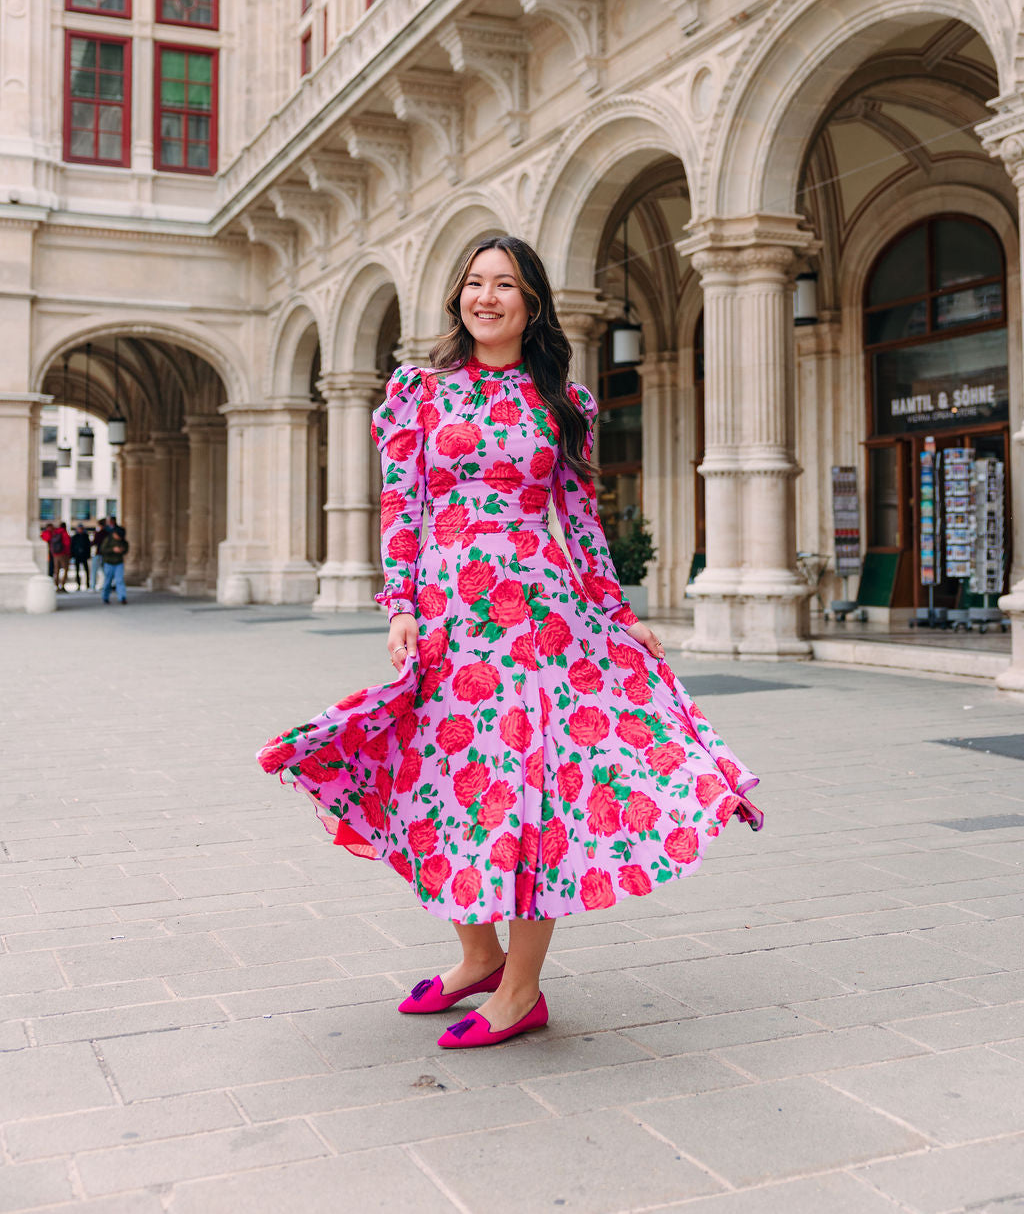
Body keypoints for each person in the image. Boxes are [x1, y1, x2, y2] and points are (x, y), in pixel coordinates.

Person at [260, 236, 762, 1050]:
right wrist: (400, 606)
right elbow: (402, 504)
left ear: (531, 304)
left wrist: (616, 610)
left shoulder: (563, 400)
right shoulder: (421, 391)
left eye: (504, 284)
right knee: (447, 783)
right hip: (451, 618)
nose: (485, 297)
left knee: (533, 792)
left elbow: (581, 518)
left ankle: (521, 989)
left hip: (542, 621)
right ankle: (480, 956)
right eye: (474, 282)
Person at [100, 525, 129, 604]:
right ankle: (105, 597)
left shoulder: (123, 541)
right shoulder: (108, 539)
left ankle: (122, 597)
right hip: (108, 563)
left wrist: (122, 550)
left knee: (120, 580)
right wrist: (113, 550)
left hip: (119, 563)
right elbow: (102, 549)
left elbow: (126, 549)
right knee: (107, 581)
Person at [50, 522, 71, 591]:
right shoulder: (64, 533)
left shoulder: (55, 532)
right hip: (63, 554)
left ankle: (56, 585)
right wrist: (68, 554)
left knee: (56, 570)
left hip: (55, 554)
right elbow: (67, 544)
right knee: (65, 569)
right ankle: (62, 585)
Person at [69, 524, 91, 590]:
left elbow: (88, 546)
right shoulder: (75, 537)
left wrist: (88, 555)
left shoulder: (85, 536)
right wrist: (73, 555)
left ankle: (87, 584)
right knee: (77, 571)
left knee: (86, 570)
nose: (80, 530)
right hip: (77, 556)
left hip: (84, 556)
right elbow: (72, 547)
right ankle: (78, 584)